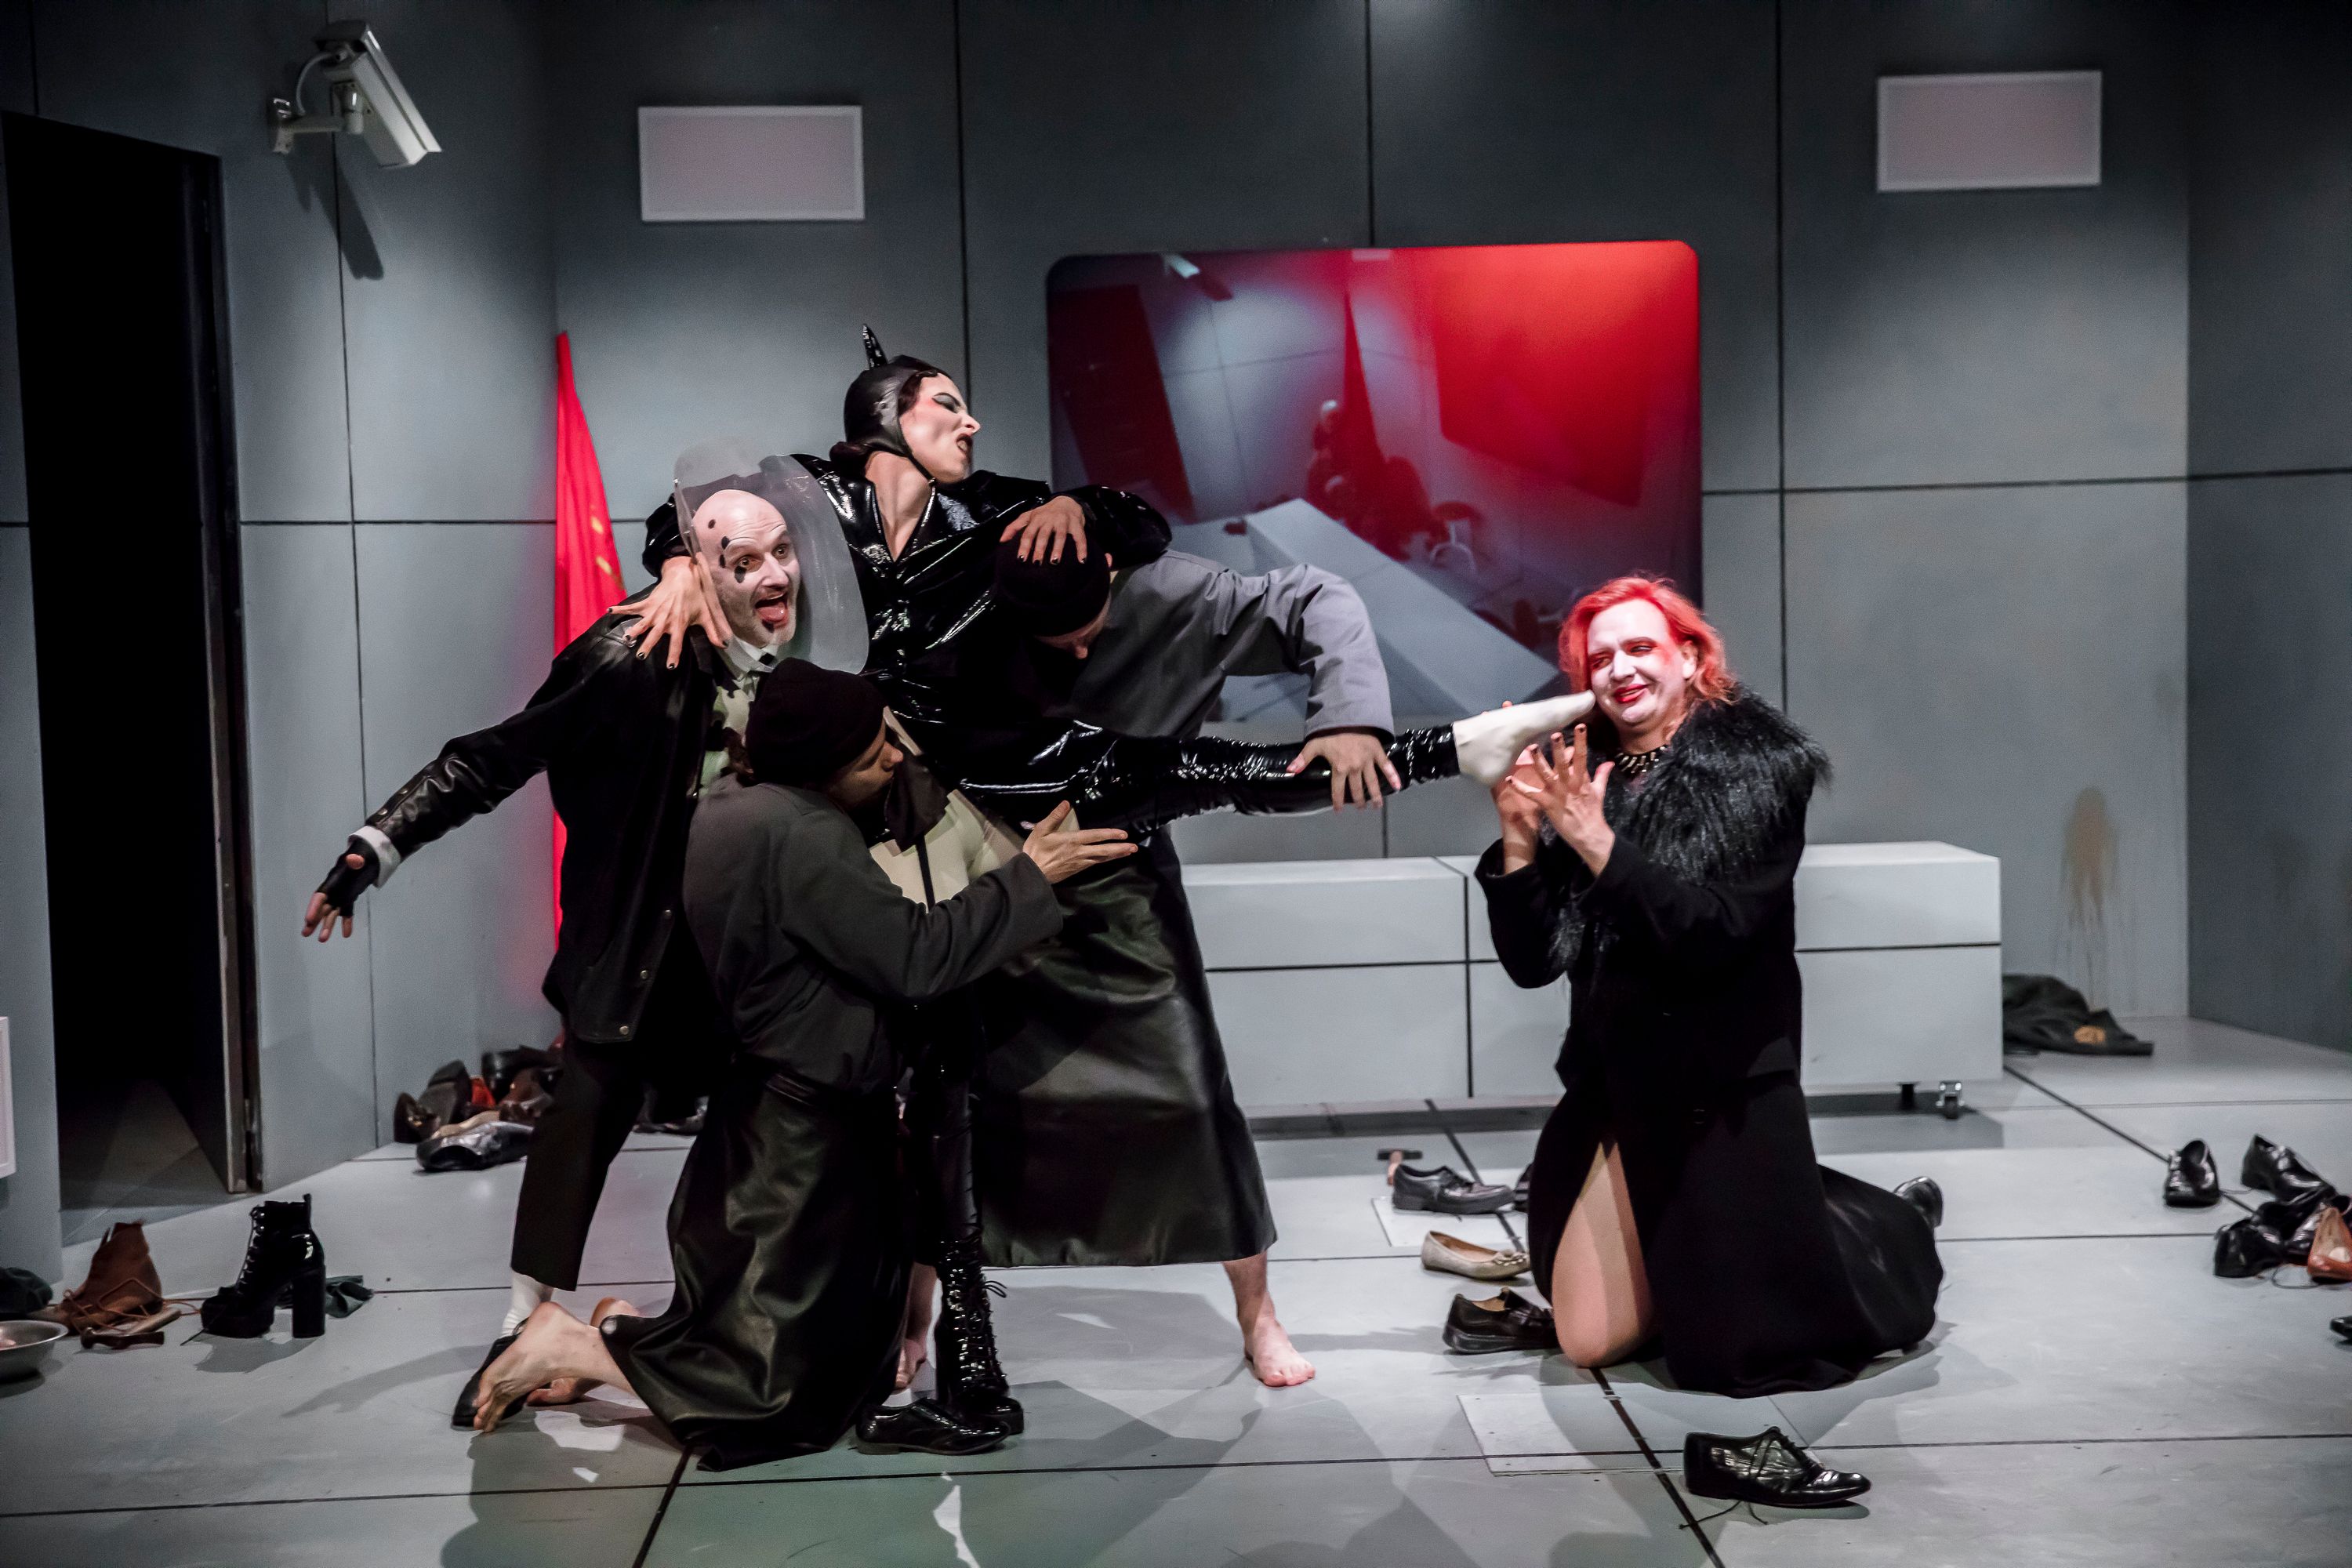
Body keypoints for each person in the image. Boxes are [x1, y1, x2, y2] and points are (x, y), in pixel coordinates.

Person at [469, 660, 1136, 1466]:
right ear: (823, 768)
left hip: (779, 1124)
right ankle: (569, 1344)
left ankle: (622, 1334)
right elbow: (917, 954)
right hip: (796, 1150)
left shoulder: (729, 807)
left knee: (830, 1379)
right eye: (874, 755)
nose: (896, 759)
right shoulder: (805, 835)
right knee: (767, 1403)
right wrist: (1032, 876)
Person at [945, 531, 1403, 1385]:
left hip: (1124, 882)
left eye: (1091, 629)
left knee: (1195, 1099)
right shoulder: (970, 593)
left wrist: (1348, 714)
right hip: (991, 875)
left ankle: (1259, 1314)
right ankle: (921, 1318)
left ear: (1109, 573)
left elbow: (1316, 595)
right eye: (1059, 640)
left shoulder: (1175, 593)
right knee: (959, 1108)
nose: (1081, 652)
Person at [1468, 576, 1941, 1397]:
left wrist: (1597, 844)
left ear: (1689, 658)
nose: (1621, 669)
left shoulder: (1761, 768)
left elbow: (1713, 933)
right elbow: (1534, 962)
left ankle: (1886, 1225)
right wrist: (1518, 835)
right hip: (1617, 1086)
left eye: (1640, 647)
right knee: (1588, 1341)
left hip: (1718, 1091)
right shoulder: (1588, 772)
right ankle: (1793, 1210)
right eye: (1601, 658)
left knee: (1735, 1352)